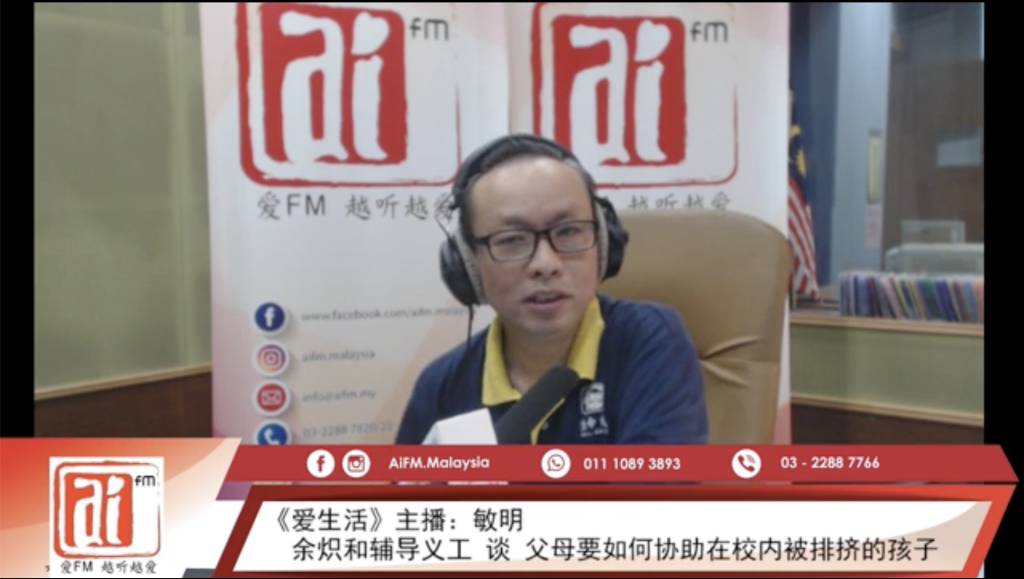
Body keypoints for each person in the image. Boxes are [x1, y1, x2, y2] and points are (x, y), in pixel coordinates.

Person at [395, 134, 708, 445]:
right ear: (468, 264)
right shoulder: (441, 386)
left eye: (569, 231)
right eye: (511, 239)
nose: (545, 264)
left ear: (603, 242)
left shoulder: (650, 340)